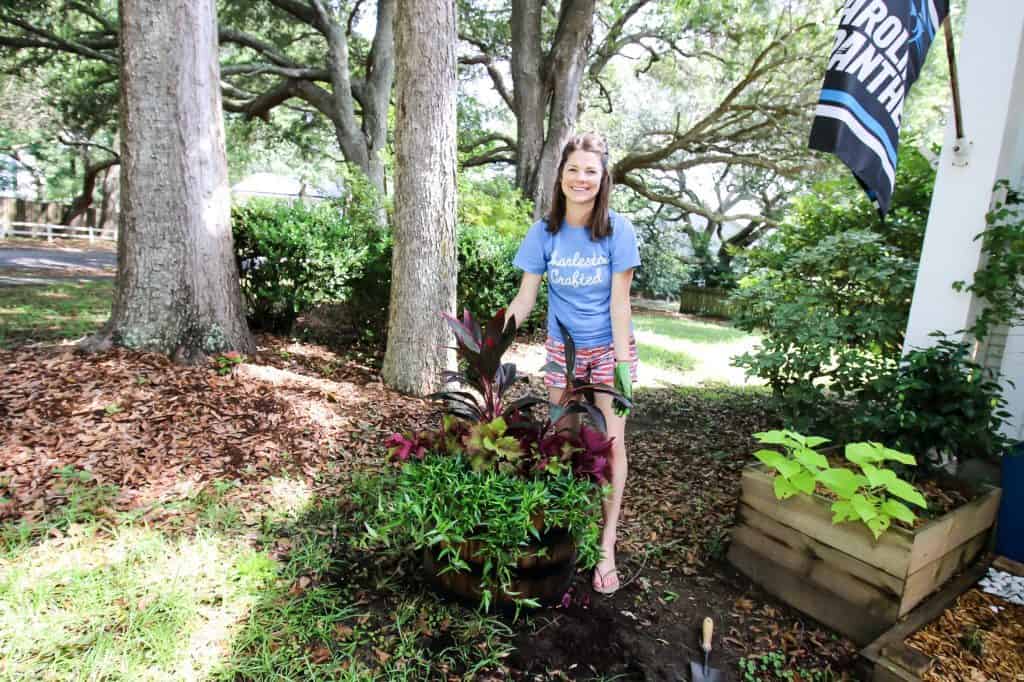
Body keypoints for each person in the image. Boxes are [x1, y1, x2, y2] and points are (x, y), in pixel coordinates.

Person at [506, 132, 640, 595]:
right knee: (560, 441)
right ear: (560, 176)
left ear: (602, 180)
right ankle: (560, 530)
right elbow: (525, 298)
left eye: (591, 171)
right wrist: (491, 336)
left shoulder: (617, 230)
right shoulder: (544, 231)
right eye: (573, 170)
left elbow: (620, 303)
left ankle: (606, 546)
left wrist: (622, 363)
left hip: (608, 350)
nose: (581, 178)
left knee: (611, 445)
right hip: (563, 353)